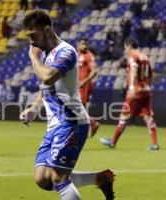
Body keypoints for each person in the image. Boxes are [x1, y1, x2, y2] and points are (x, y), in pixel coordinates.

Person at [19, 9, 114, 200]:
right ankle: (100, 179)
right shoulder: (47, 55)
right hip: (54, 125)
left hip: (72, 122)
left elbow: (47, 77)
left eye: (33, 36)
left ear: (46, 31)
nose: (31, 42)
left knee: (58, 178)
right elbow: (47, 87)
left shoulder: (66, 52)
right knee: (42, 179)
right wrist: (34, 108)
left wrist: (33, 58)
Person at [100, 38, 159, 151]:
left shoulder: (132, 56)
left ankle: (112, 142)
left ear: (128, 46)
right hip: (146, 89)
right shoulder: (144, 56)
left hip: (136, 90)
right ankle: (155, 144)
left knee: (124, 115)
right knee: (148, 117)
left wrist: (131, 86)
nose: (125, 50)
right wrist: (147, 85)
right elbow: (151, 73)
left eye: (125, 47)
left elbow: (133, 70)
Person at [77, 38, 100, 137]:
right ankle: (86, 128)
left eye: (86, 44)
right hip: (76, 85)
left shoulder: (88, 56)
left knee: (77, 107)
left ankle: (92, 124)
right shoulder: (76, 54)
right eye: (82, 44)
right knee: (78, 108)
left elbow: (94, 71)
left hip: (83, 85)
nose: (85, 46)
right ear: (78, 44)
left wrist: (84, 82)